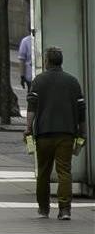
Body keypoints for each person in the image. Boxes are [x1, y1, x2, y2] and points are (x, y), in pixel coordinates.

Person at [25, 46, 86, 220]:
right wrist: (83, 132)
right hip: (66, 133)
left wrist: (27, 128)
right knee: (64, 171)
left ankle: (44, 209)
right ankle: (65, 209)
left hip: (44, 133)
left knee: (43, 171)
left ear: (46, 61)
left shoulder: (39, 81)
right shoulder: (73, 82)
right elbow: (81, 109)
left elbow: (31, 108)